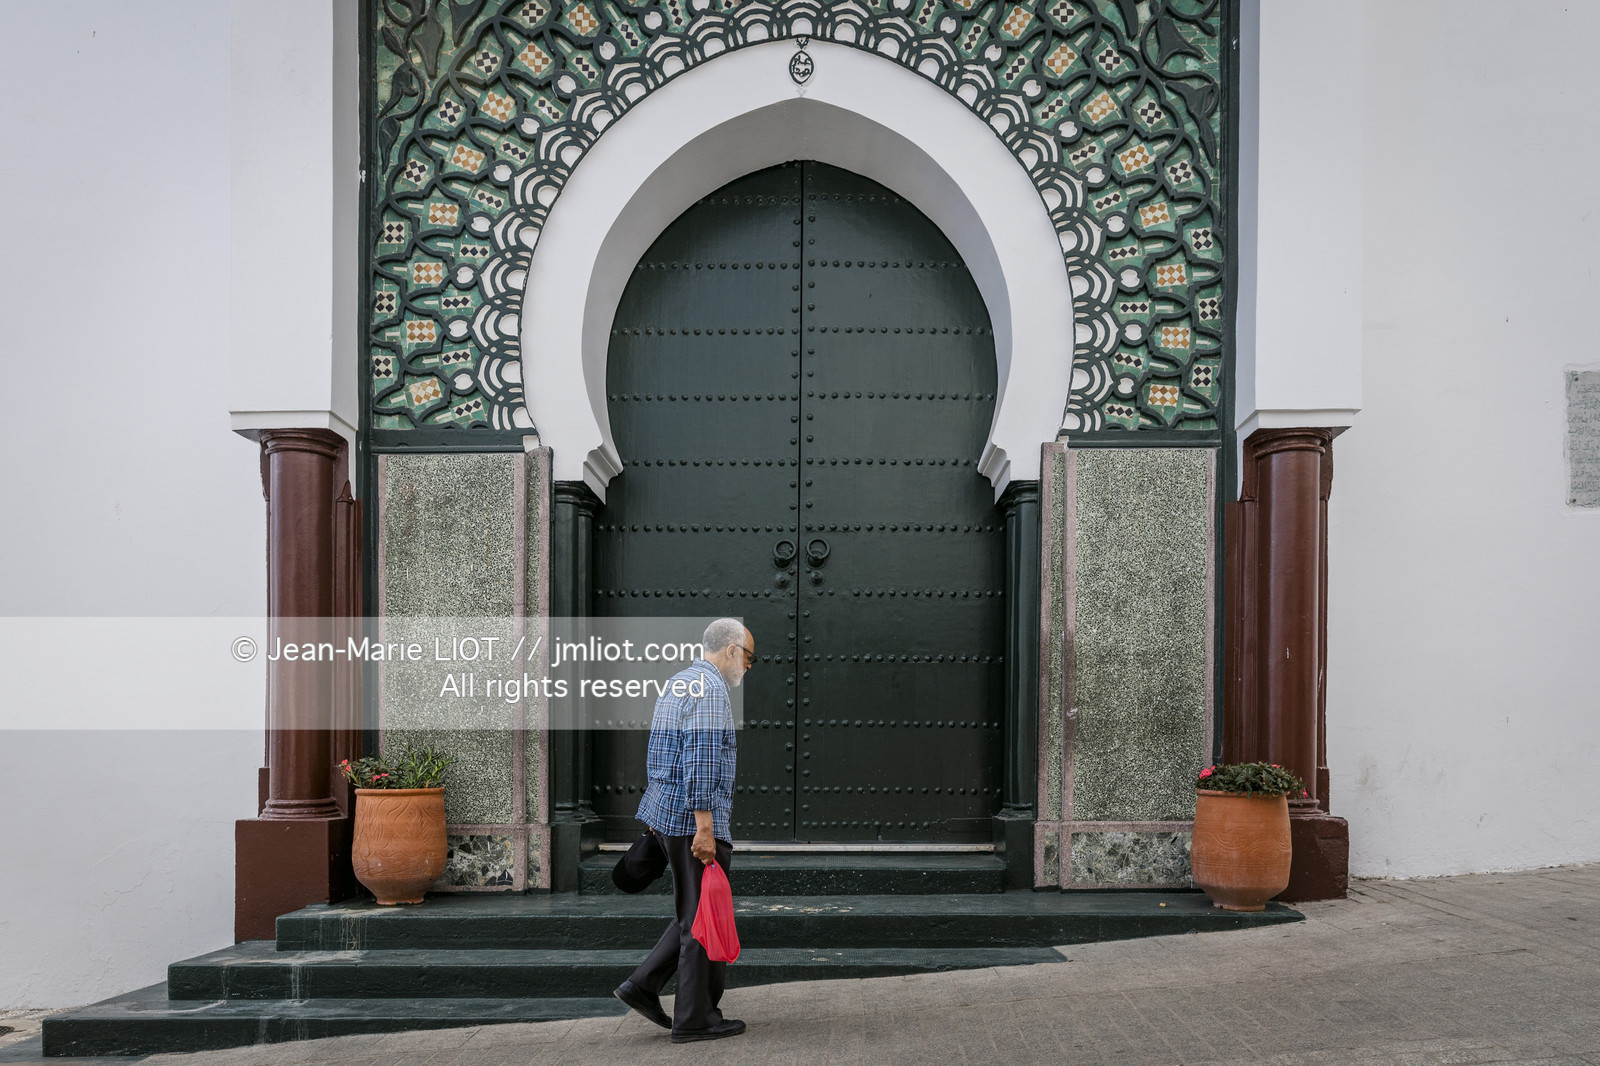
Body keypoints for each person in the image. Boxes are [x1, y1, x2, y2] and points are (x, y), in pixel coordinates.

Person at [612, 617, 752, 1042]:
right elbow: (701, 760)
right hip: (692, 824)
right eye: (749, 657)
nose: (748, 667)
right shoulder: (710, 691)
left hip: (669, 816)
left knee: (695, 914)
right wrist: (705, 828)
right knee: (703, 920)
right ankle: (695, 1018)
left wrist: (659, 818)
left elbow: (661, 755)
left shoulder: (680, 681)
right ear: (730, 650)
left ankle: (643, 985)